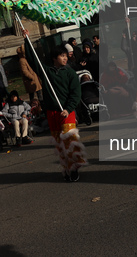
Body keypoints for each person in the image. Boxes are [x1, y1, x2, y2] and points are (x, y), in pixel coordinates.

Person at [24, 33, 87, 182]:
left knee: (69, 142)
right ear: (54, 58)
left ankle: (74, 169)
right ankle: (66, 167)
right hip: (52, 113)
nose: (65, 58)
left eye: (66, 56)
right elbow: (33, 60)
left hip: (67, 112)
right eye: (61, 56)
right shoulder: (47, 72)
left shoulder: (70, 73)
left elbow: (76, 94)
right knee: (60, 144)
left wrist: (68, 108)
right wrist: (26, 39)